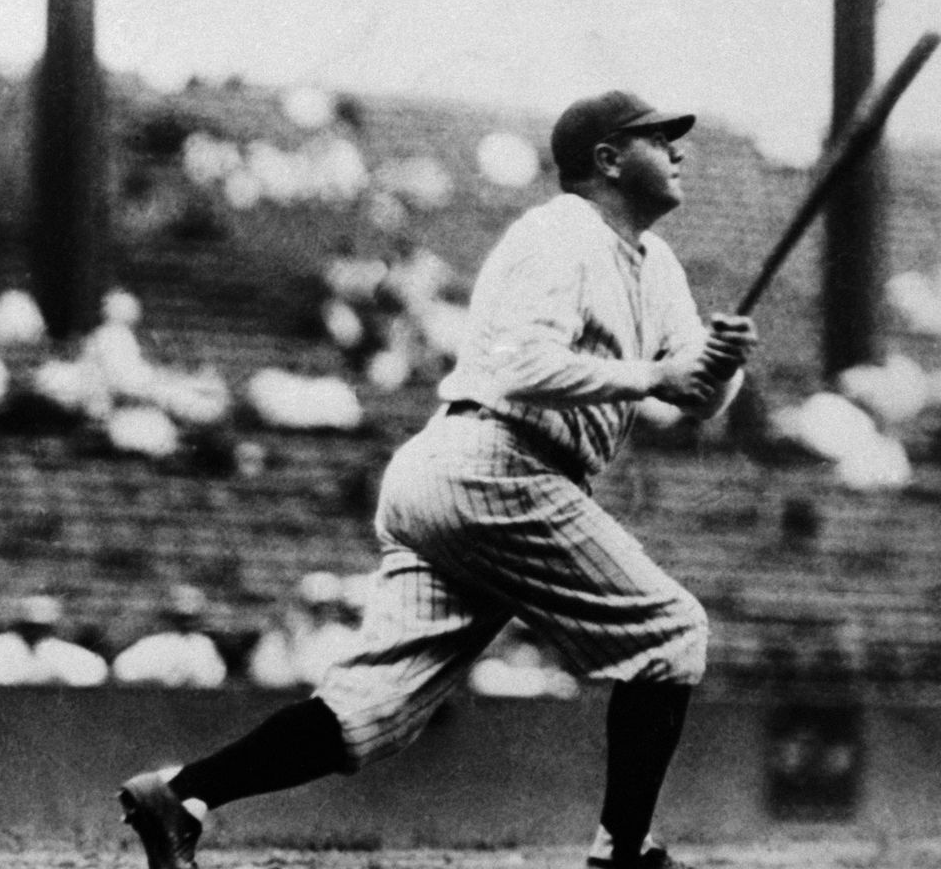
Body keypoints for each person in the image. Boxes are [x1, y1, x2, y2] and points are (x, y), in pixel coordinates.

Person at [118, 92, 760, 869]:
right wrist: (659, 371)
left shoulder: (657, 267)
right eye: (659, 137)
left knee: (371, 714)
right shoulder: (560, 232)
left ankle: (180, 795)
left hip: (463, 476)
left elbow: (696, 399)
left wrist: (721, 366)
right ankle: (623, 852)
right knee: (670, 634)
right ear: (608, 158)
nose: (679, 149)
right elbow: (519, 365)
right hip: (498, 459)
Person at [248, 570, 362, 690]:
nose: (322, 612)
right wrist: (290, 644)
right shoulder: (280, 637)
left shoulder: (343, 636)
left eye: (327, 606)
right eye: (314, 608)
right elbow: (264, 676)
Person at [0, 594, 108, 687]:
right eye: (29, 626)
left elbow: (96, 671)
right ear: (18, 625)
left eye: (41, 628)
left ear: (50, 628)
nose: (35, 632)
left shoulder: (55, 647)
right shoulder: (2, 644)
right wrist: (44, 676)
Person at [111, 585, 227, 688]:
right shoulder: (150, 643)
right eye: (179, 619)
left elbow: (214, 680)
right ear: (166, 617)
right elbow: (123, 672)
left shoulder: (202, 644)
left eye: (189, 619)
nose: (185, 624)